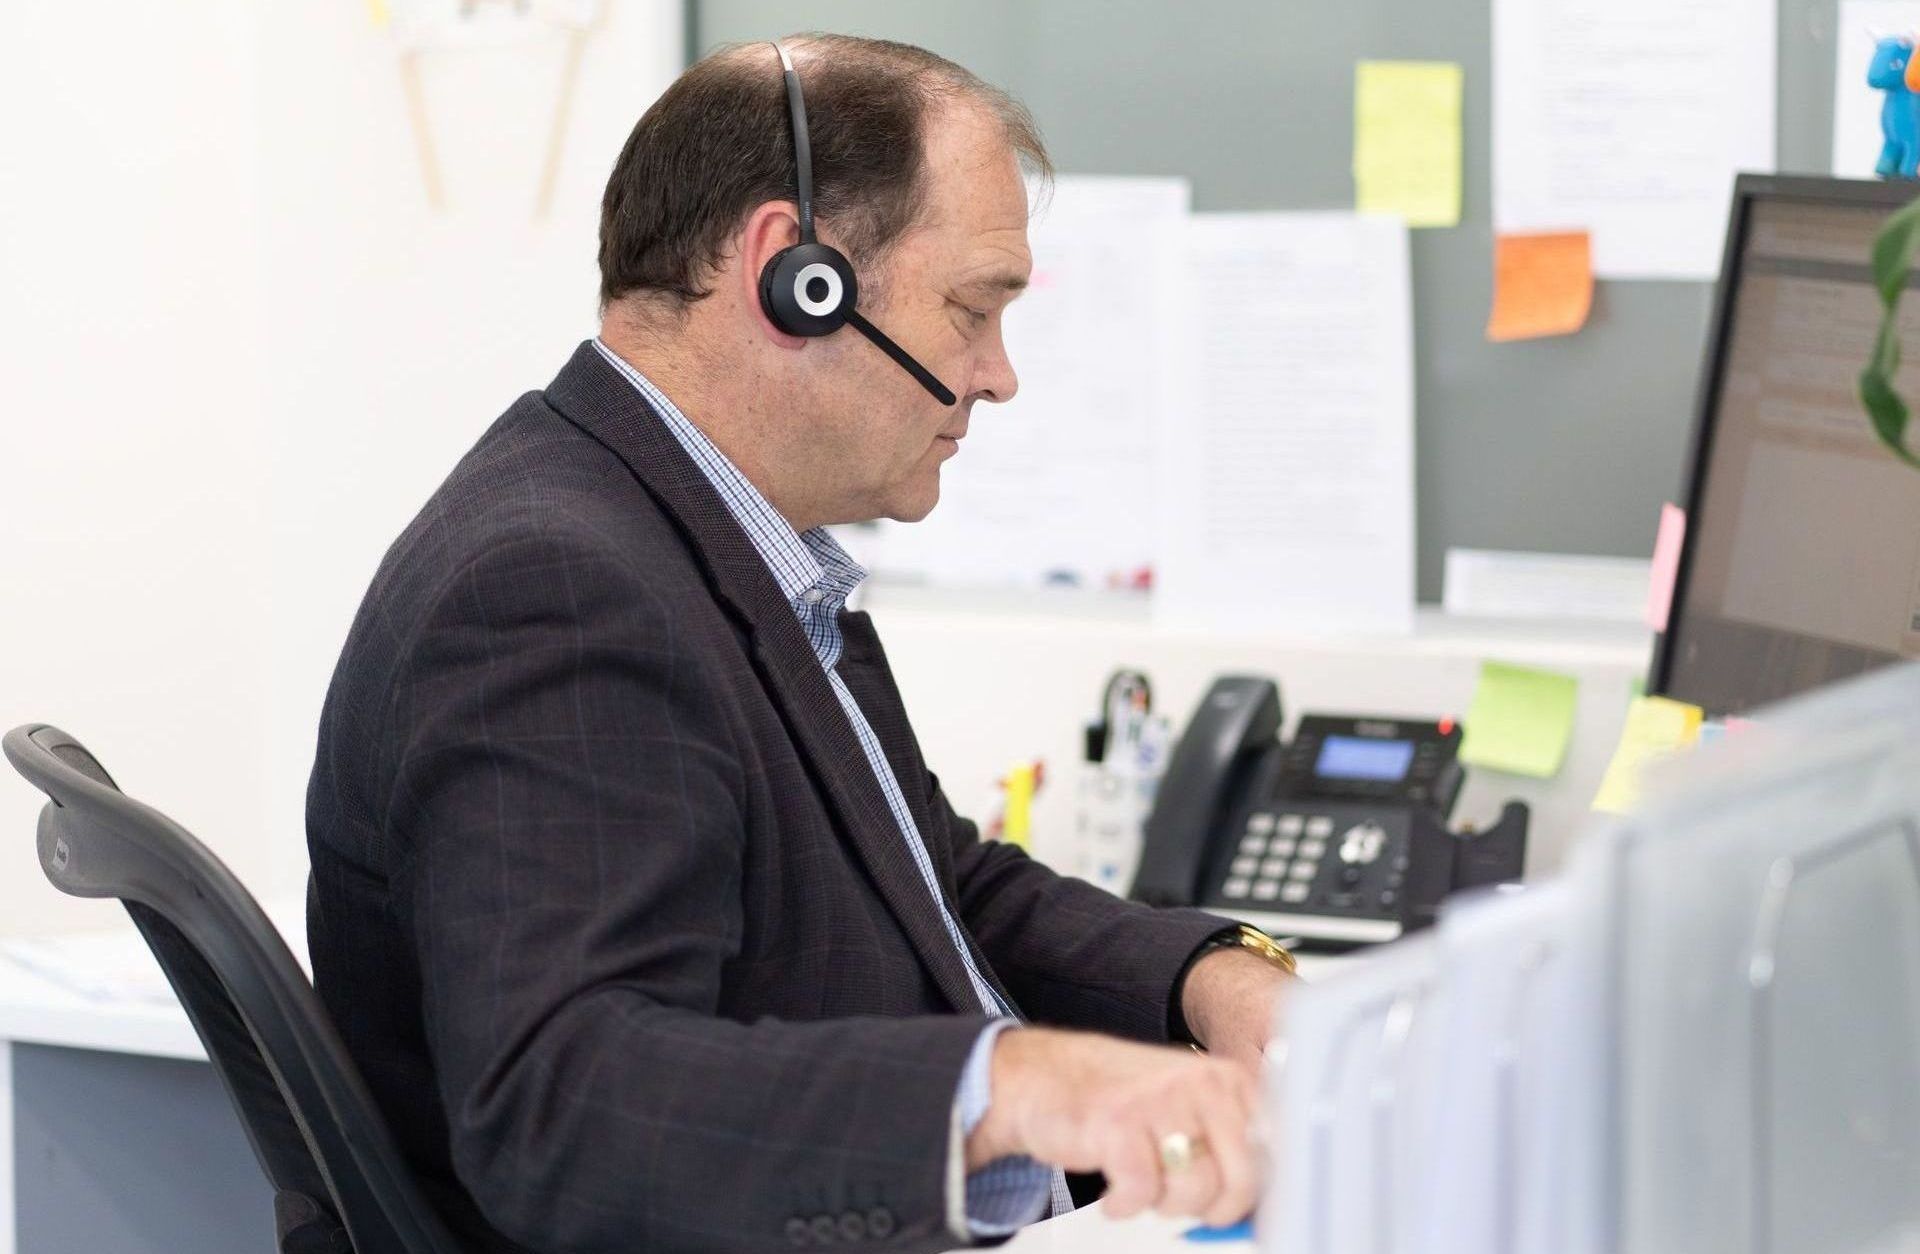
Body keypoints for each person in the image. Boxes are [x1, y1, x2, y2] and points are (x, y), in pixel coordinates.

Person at [305, 33, 1293, 1254]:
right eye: (972, 310)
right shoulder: (558, 588)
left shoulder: (712, 544)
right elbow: (568, 1108)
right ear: (797, 277)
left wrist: (1217, 975)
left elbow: (937, 888)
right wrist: (1012, 1092)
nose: (998, 376)